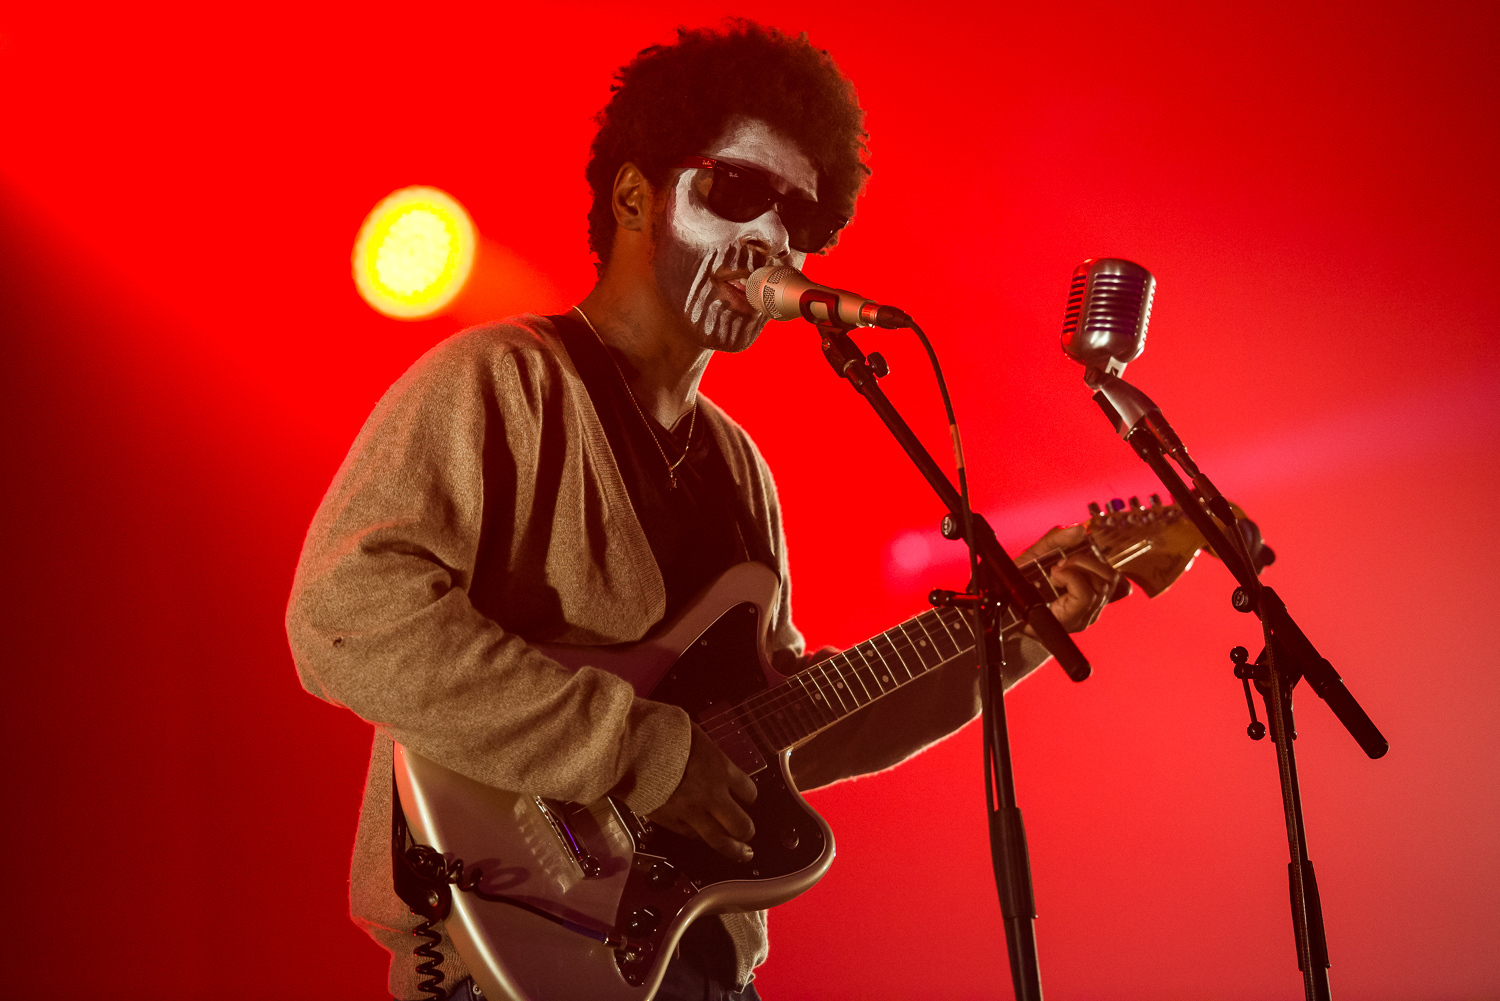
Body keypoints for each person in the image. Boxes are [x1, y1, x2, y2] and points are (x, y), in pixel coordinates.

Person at [286, 21, 1123, 1001]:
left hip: (692, 964)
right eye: (738, 192)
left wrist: (1012, 636)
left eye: (800, 217)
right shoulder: (500, 382)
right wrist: (636, 747)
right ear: (636, 194)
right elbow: (346, 614)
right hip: (504, 943)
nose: (772, 237)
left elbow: (780, 728)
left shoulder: (740, 469)